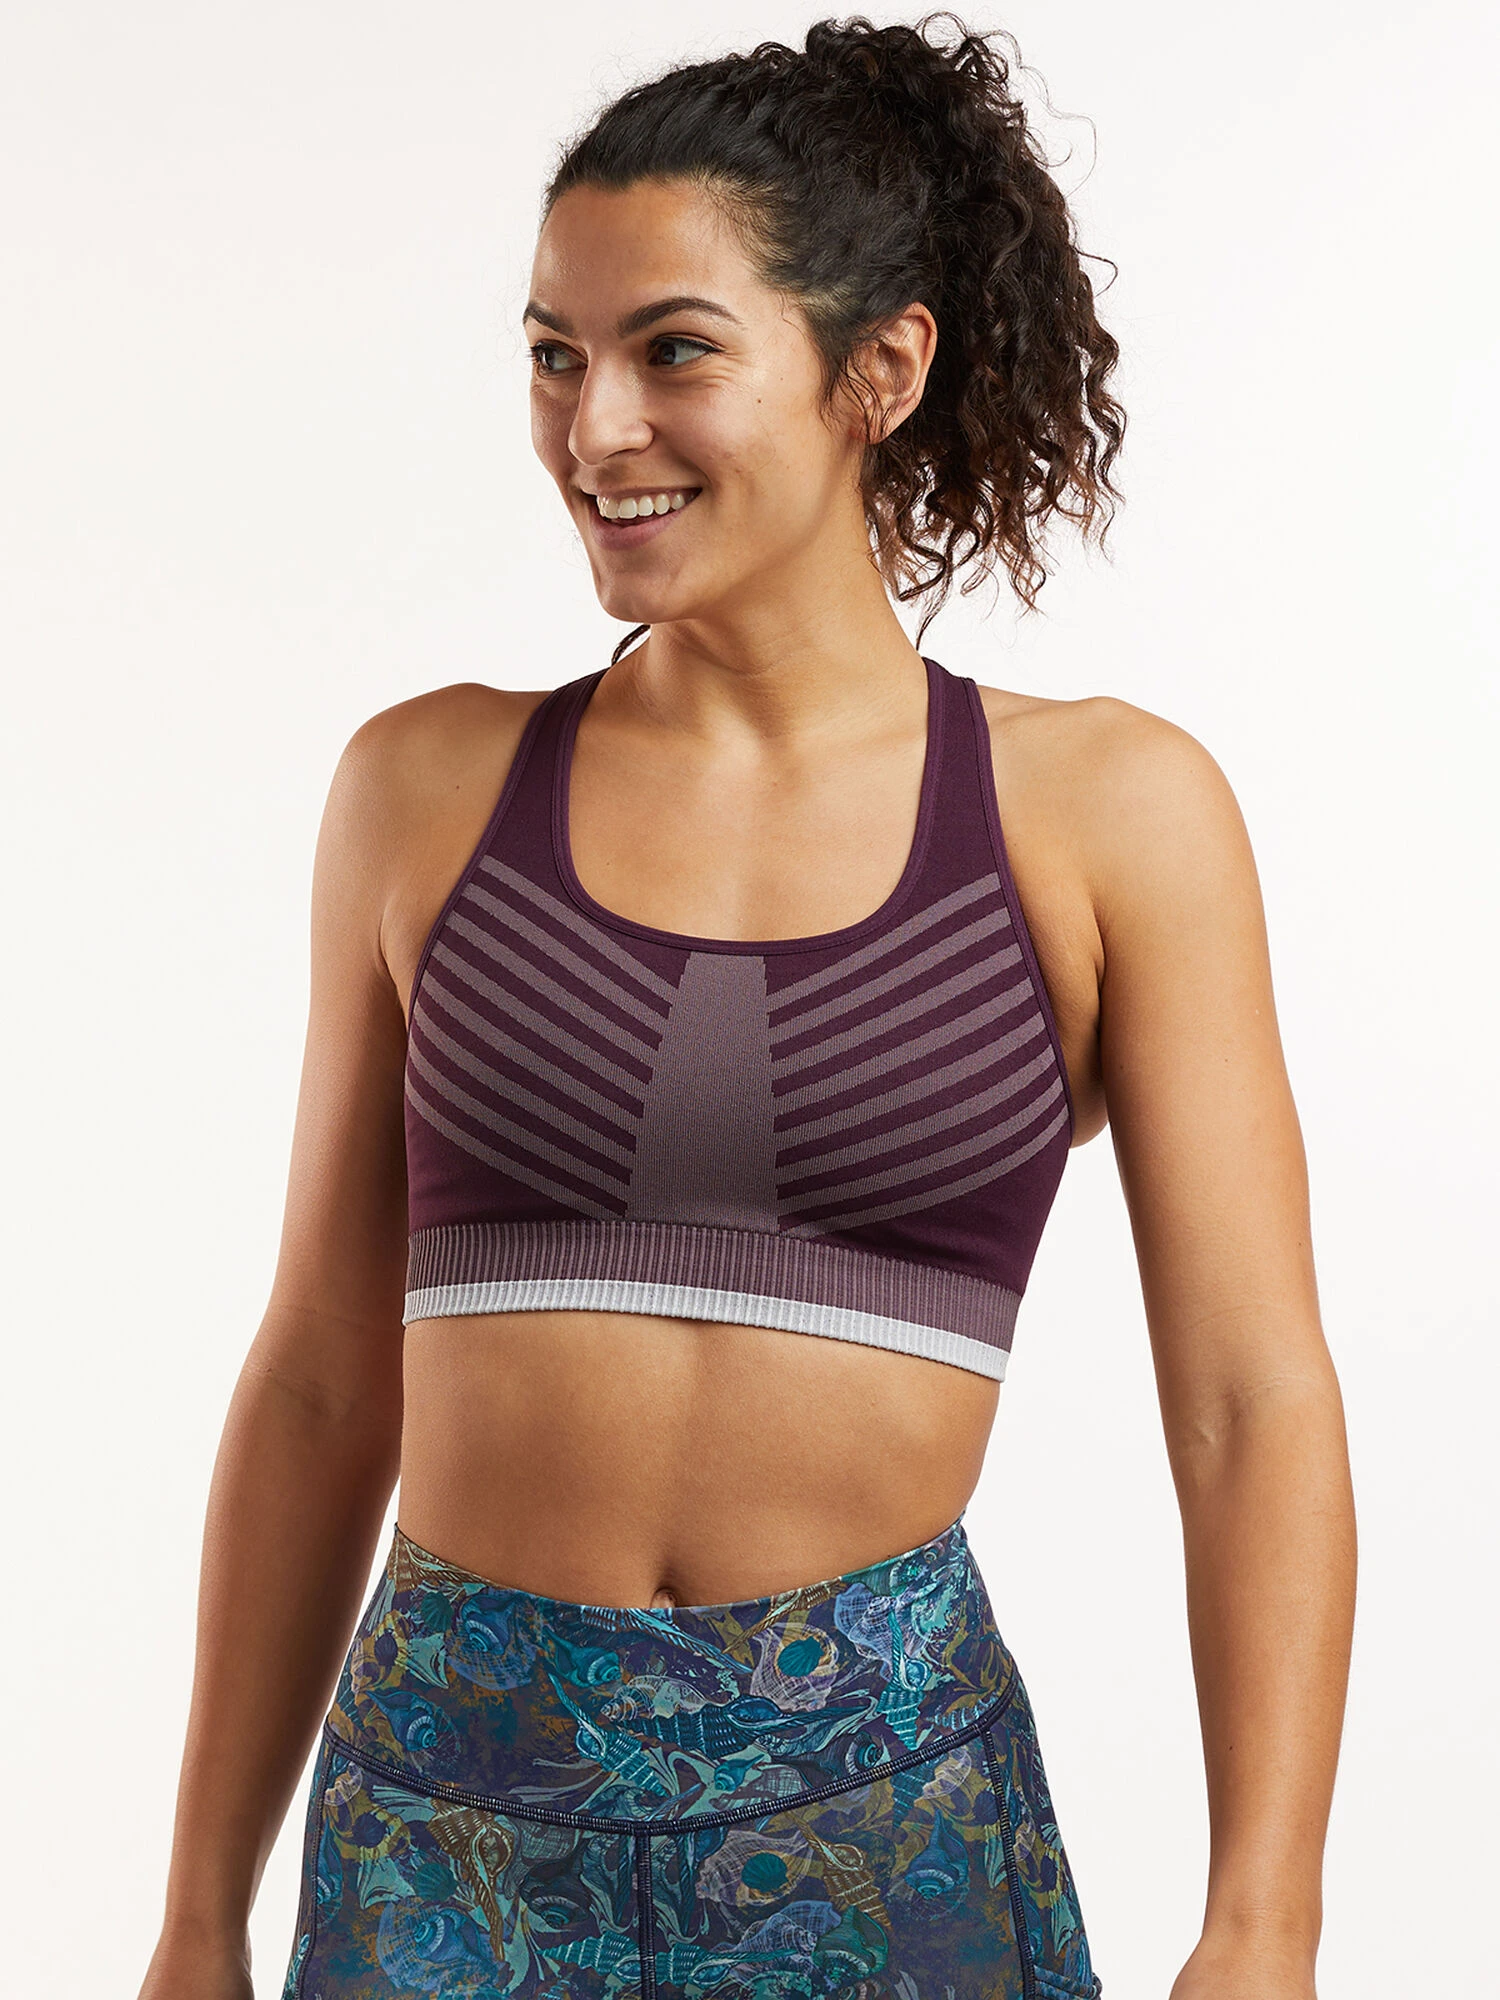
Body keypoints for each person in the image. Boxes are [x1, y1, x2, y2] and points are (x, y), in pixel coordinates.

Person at [139, 17, 1356, 2000]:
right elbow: (318, 1383)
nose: (595, 427)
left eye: (673, 351)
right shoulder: (424, 789)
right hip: (446, 1833)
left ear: (879, 370)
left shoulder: (1108, 814)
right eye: (555, 355)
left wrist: (1266, 1922)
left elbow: (1249, 1404)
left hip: (888, 1833)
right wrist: (198, 1913)